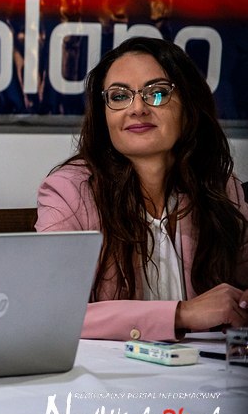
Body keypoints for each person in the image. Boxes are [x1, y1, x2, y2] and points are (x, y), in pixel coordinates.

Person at [36, 36, 248, 341]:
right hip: (111, 370)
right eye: (119, 96)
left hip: (203, 367)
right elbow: (51, 310)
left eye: (157, 93)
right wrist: (181, 314)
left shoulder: (219, 187)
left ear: (189, 107)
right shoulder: (68, 192)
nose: (137, 108)